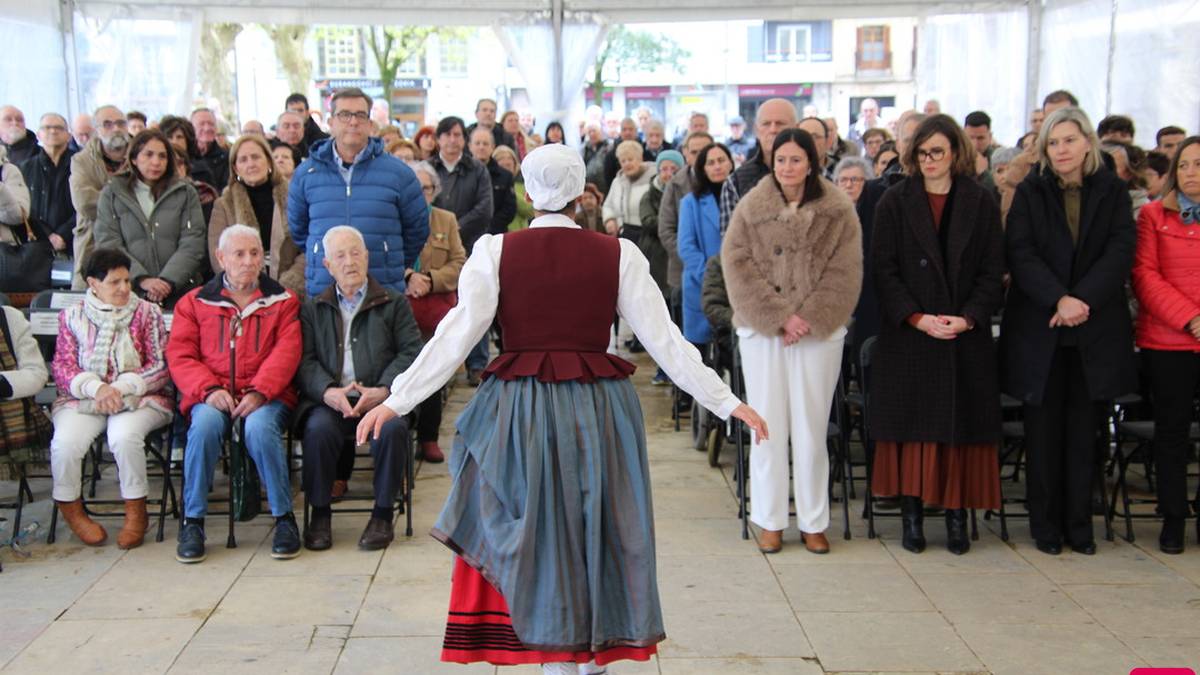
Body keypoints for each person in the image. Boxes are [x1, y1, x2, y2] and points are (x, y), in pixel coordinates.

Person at [354, 142, 767, 672]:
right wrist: (727, 401)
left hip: (519, 412)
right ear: (581, 196)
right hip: (598, 413)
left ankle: (550, 645)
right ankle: (585, 649)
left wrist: (398, 398)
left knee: (534, 534)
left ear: (528, 194)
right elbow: (667, 342)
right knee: (595, 529)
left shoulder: (495, 251)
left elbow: (454, 339)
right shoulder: (620, 254)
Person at [1001, 106, 1137, 556]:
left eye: (1069, 140)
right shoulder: (1030, 192)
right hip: (1043, 325)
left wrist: (1082, 300)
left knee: (1085, 432)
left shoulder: (1113, 190)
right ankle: (1045, 526)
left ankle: (1080, 526)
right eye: (1053, 142)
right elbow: (1020, 253)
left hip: (1093, 327)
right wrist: (1059, 298)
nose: (1061, 149)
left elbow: (1120, 250)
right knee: (1043, 434)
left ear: (1087, 144)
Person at [868, 115, 1006, 555]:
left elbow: (992, 269)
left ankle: (956, 518)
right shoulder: (894, 201)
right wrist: (915, 316)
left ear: (955, 154)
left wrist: (968, 317)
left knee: (959, 427)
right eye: (923, 153)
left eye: (938, 152)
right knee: (913, 429)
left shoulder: (980, 201)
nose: (930, 161)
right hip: (911, 336)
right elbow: (883, 270)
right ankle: (912, 517)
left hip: (964, 335)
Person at [723, 127, 862, 555]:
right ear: (772, 161)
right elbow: (736, 263)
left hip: (819, 332)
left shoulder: (838, 208)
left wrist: (808, 317)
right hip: (764, 331)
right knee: (766, 426)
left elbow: (846, 269)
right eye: (781, 159)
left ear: (812, 161)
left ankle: (813, 519)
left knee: (811, 427)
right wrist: (780, 317)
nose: (788, 167)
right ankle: (769, 518)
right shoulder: (753, 206)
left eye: (796, 159)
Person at [168, 224, 303, 564]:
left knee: (259, 428)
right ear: (221, 258)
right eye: (239, 254)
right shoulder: (194, 303)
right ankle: (193, 520)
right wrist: (208, 390)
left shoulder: (283, 302)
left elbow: (287, 352)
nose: (248, 261)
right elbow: (181, 355)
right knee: (203, 427)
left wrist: (260, 391)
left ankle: (283, 518)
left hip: (265, 397)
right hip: (211, 395)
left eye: (254, 253)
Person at [294, 226, 422, 551]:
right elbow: (305, 361)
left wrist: (383, 389)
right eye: (340, 255)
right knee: (317, 430)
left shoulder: (393, 303)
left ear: (366, 257)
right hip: (333, 402)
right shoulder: (314, 308)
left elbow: (412, 353)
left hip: (381, 399)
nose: (349, 262)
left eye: (355, 253)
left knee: (391, 429)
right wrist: (327, 392)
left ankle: (382, 515)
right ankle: (320, 514)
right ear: (327, 265)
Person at [48, 248, 172, 549]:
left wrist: (120, 387)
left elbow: (161, 365)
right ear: (93, 283)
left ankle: (136, 512)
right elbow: (62, 366)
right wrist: (95, 388)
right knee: (65, 443)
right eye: (114, 282)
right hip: (83, 398)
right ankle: (72, 511)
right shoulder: (72, 316)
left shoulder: (148, 313)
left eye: (127, 281)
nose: (124, 289)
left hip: (140, 396)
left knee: (123, 436)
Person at [288, 88, 430, 297]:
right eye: (344, 115)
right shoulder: (306, 174)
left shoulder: (399, 174)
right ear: (331, 122)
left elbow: (417, 230)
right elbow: (299, 231)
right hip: (325, 292)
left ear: (370, 124)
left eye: (360, 115)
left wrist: (387, 257)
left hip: (383, 291)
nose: (353, 122)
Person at [1130, 135, 1200, 553]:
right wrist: (1191, 319)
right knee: (1172, 435)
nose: (1193, 171)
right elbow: (1144, 276)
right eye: (1186, 164)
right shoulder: (1154, 215)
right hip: (1170, 341)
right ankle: (1173, 519)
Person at [93, 129, 206, 307]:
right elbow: (108, 242)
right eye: (149, 154)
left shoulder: (185, 192)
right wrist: (142, 279)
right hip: (129, 292)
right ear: (134, 159)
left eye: (162, 156)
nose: (156, 162)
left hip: (180, 291)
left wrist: (167, 281)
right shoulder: (112, 193)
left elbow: (193, 241)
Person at [405, 162, 466, 461]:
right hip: (402, 305)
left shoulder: (445, 219)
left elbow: (459, 262)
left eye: (426, 189)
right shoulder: (394, 218)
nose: (420, 194)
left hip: (435, 305)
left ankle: (428, 437)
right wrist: (408, 277)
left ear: (434, 191)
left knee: (432, 369)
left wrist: (431, 280)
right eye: (414, 189)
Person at [209, 134, 305, 295]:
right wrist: (242, 283)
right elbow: (217, 253)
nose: (251, 164)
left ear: (268, 161)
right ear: (235, 168)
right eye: (243, 160)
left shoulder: (294, 196)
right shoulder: (224, 204)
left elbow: (307, 246)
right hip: (243, 292)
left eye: (256, 157)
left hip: (291, 290)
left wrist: (290, 283)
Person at [678, 143, 734, 348]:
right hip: (701, 285)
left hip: (738, 285)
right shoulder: (690, 202)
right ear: (702, 168)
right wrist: (712, 278)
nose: (717, 166)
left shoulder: (741, 197)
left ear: (731, 163)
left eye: (721, 160)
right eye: (711, 163)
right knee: (702, 357)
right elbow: (686, 246)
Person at [70, 105, 129, 289]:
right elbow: (85, 203)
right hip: (92, 243)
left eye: (120, 123)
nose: (116, 128)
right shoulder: (81, 161)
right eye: (108, 124)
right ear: (96, 130)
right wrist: (128, 203)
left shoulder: (141, 156)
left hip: (134, 245)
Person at [429, 116, 493, 255]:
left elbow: (485, 207)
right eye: (447, 134)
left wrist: (456, 226)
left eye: (457, 135)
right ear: (438, 139)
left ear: (464, 140)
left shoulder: (478, 169)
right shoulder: (427, 168)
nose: (452, 139)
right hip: (433, 244)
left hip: (470, 244)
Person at [20, 113, 76, 256]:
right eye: (47, 128)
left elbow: (89, 204)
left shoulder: (80, 164)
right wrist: (48, 235)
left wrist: (63, 234)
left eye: (58, 128)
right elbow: (23, 206)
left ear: (69, 135)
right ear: (38, 135)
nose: (53, 131)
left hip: (75, 240)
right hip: (38, 244)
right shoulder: (25, 167)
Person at [158, 115, 220, 223]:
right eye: (169, 137)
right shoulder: (155, 169)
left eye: (179, 137)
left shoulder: (202, 170)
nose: (174, 141)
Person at [602, 140, 653, 242]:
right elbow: (608, 205)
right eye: (623, 161)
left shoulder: (652, 180)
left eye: (630, 159)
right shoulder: (617, 182)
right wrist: (609, 219)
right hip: (624, 235)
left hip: (648, 236)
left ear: (640, 159)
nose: (627, 164)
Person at [468, 126, 516, 236]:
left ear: (493, 147)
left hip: (495, 236)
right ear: (470, 146)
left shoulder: (505, 176)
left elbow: (509, 210)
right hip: (465, 235)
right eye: (477, 143)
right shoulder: (460, 173)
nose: (481, 147)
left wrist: (487, 230)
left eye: (485, 144)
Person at [603, 118, 652, 188]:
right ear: (620, 132)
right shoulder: (611, 155)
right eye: (624, 129)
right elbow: (608, 181)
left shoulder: (645, 152)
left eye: (630, 129)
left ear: (636, 131)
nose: (627, 132)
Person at [492, 145, 533, 231]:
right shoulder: (491, 185)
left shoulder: (523, 184)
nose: (506, 161)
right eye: (501, 158)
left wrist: (508, 191)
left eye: (509, 158)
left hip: (521, 234)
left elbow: (530, 210)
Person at [190, 109, 229, 189]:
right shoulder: (186, 157)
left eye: (211, 124)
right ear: (191, 128)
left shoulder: (227, 158)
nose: (207, 128)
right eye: (201, 124)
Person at [581, 122, 612, 194]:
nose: (592, 134)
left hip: (605, 187)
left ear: (600, 132)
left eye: (594, 131)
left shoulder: (609, 147)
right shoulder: (584, 149)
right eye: (589, 132)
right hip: (588, 190)